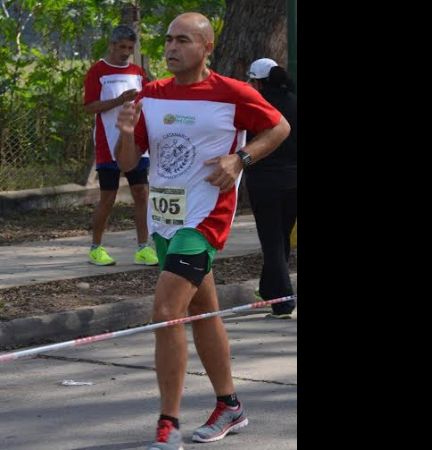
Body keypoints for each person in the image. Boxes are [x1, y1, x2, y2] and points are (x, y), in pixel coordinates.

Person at [114, 12, 290, 450]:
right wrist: (126, 133)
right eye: (168, 40)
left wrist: (240, 160)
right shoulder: (151, 95)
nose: (172, 48)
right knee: (203, 311)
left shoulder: (233, 93)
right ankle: (230, 405)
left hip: (205, 217)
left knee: (166, 310)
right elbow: (127, 163)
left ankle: (168, 424)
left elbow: (279, 127)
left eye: (183, 40)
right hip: (165, 219)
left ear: (207, 47)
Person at [83, 25, 158, 267]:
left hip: (135, 142)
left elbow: (148, 98)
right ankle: (96, 248)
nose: (126, 52)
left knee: (141, 193)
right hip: (108, 143)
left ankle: (143, 248)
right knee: (108, 197)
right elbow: (90, 106)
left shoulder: (137, 71)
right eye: (122, 47)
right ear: (112, 45)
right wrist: (119, 100)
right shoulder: (98, 71)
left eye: (130, 48)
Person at [245, 58, 297, 319]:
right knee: (282, 237)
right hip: (293, 181)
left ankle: (283, 302)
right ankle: (269, 288)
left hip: (264, 183)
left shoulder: (256, 106)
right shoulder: (294, 101)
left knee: (272, 241)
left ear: (258, 82)